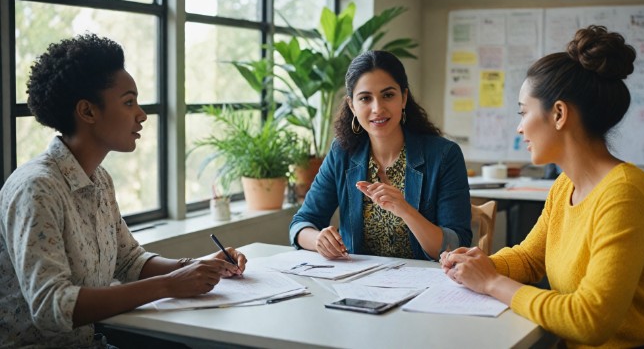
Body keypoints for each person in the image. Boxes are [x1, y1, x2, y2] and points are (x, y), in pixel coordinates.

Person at [0, 34, 247, 348]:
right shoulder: (36, 189)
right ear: (88, 112)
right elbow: (52, 307)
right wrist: (169, 284)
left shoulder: (99, 179)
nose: (141, 114)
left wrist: (195, 267)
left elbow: (129, 261)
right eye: (129, 102)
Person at [440, 25, 644, 347]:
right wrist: (476, 266)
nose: (519, 127)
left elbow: (590, 319)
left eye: (523, 113)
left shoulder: (625, 195)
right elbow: (529, 258)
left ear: (559, 114)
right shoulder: (565, 184)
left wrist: (492, 282)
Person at [289, 50, 472, 261]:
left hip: (426, 285)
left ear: (403, 98)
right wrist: (318, 239)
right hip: (358, 284)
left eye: (388, 95)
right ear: (352, 106)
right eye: (365, 98)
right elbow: (301, 223)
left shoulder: (444, 155)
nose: (377, 108)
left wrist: (405, 210)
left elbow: (456, 245)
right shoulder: (342, 153)